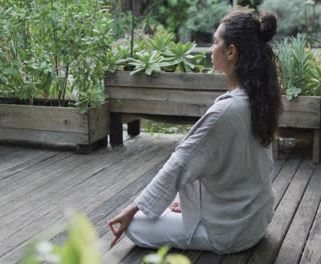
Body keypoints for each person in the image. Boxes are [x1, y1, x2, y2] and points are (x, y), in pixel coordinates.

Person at [108, 8, 282, 254]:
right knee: (168, 201)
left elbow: (178, 164)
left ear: (231, 52)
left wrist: (131, 209)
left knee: (135, 226)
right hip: (256, 220)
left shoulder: (226, 111)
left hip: (230, 231)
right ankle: (197, 209)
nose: (212, 49)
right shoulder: (258, 98)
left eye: (215, 42)